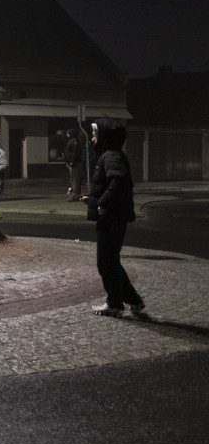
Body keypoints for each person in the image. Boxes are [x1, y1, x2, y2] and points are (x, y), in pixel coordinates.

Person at [81, 120, 144, 317]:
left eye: (94, 134)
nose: (92, 138)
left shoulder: (111, 156)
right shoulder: (109, 155)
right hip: (113, 215)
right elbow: (111, 183)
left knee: (106, 262)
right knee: (111, 261)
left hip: (112, 217)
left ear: (105, 137)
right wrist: (92, 200)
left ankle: (115, 305)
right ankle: (133, 300)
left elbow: (119, 179)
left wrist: (103, 204)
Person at [64, 128, 83, 202]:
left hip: (75, 164)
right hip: (72, 163)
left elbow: (75, 153)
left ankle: (76, 195)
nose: (67, 135)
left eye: (68, 133)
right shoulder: (72, 141)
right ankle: (75, 194)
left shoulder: (74, 141)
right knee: (73, 179)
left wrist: (72, 162)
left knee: (75, 179)